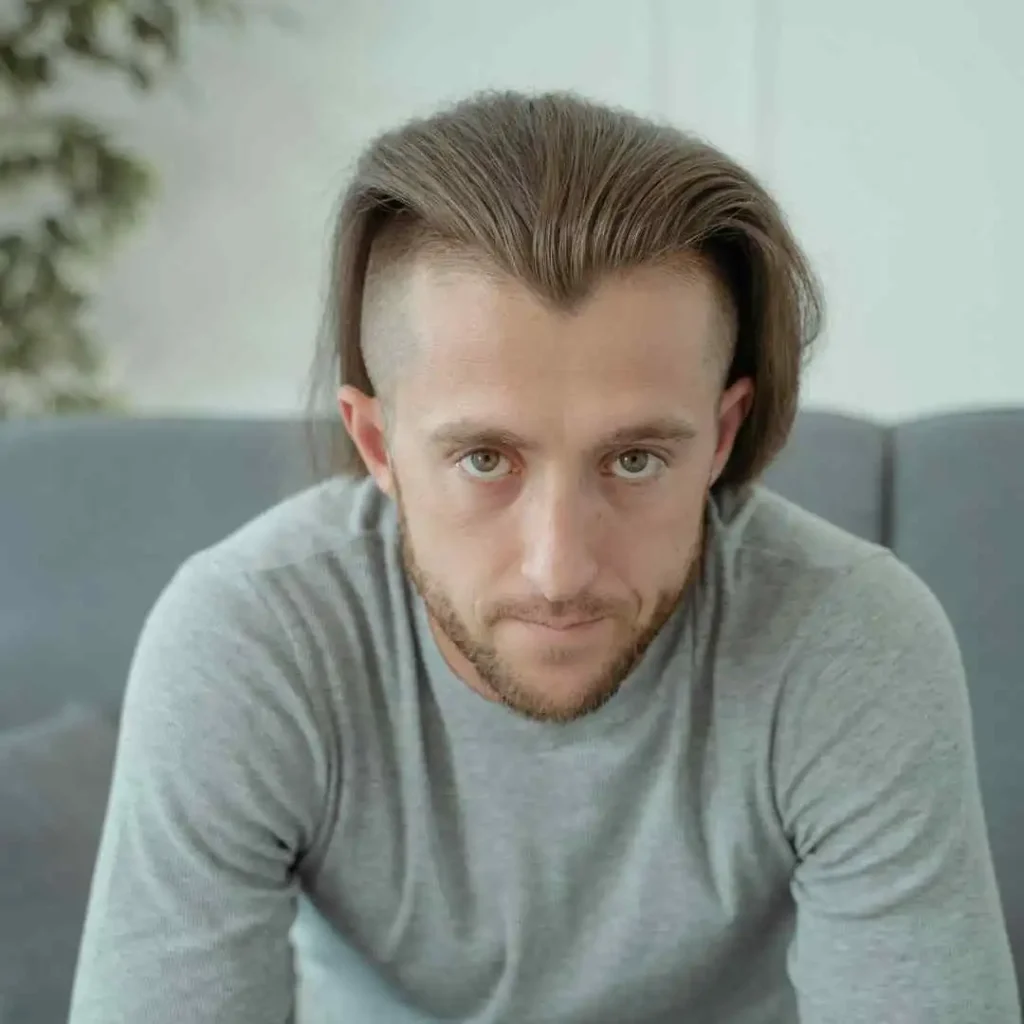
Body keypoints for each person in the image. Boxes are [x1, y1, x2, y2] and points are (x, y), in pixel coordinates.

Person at [68, 90, 1020, 1023]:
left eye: (636, 459)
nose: (558, 569)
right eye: (485, 459)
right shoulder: (249, 639)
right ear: (378, 447)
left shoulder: (849, 640)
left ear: (722, 438)